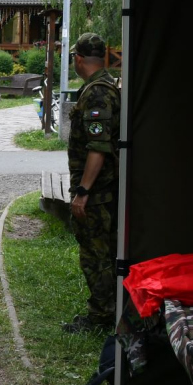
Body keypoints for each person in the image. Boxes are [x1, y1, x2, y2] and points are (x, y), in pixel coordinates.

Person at [64, 32, 121, 334]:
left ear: (78, 59)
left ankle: (101, 316)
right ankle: (112, 309)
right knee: (106, 252)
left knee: (95, 254)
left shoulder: (97, 93)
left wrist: (83, 192)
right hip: (107, 189)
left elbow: (98, 148)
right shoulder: (106, 86)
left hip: (98, 192)